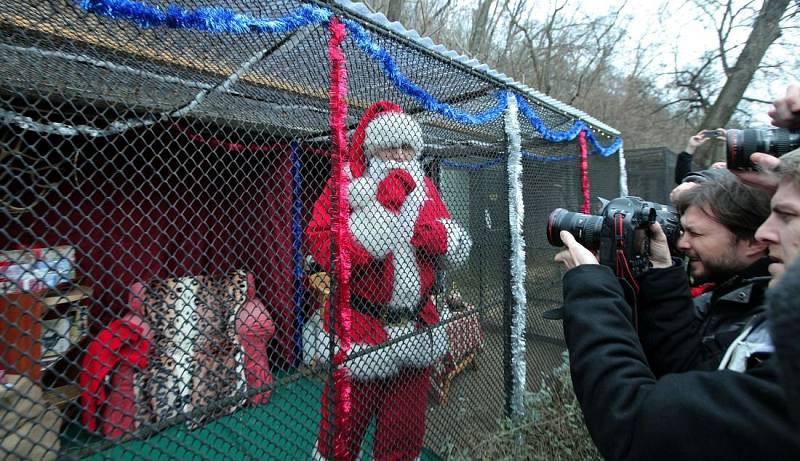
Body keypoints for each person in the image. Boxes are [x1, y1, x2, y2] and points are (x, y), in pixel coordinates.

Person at [304, 101, 472, 460]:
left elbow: (452, 238)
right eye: (389, 146)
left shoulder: (425, 187)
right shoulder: (346, 185)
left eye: (406, 147)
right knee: (340, 435)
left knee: (403, 439)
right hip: (361, 332)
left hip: (417, 329)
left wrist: (443, 238)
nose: (398, 154)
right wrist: (382, 214)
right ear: (371, 147)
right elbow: (321, 243)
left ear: (416, 150)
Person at [553, 226, 800, 460]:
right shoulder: (767, 317)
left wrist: (591, 288)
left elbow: (639, 426)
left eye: (787, 214)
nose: (766, 231)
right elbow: (689, 371)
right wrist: (661, 272)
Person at [637, 172, 772, 376]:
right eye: (683, 231)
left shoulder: (765, 322)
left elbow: (686, 379)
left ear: (753, 243)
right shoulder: (725, 295)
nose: (681, 244)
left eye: (696, 234)